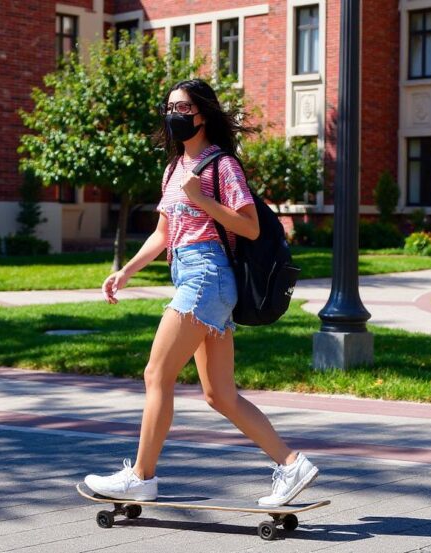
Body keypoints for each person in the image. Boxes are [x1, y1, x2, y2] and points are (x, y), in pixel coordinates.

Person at [84, 79, 319, 507]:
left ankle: (141, 476)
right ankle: (292, 465)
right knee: (219, 394)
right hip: (191, 274)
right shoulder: (174, 169)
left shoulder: (220, 166)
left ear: (203, 114)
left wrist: (203, 199)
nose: (175, 114)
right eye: (169, 107)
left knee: (156, 374)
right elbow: (163, 233)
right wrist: (126, 272)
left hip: (206, 277)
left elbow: (248, 226)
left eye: (184, 107)